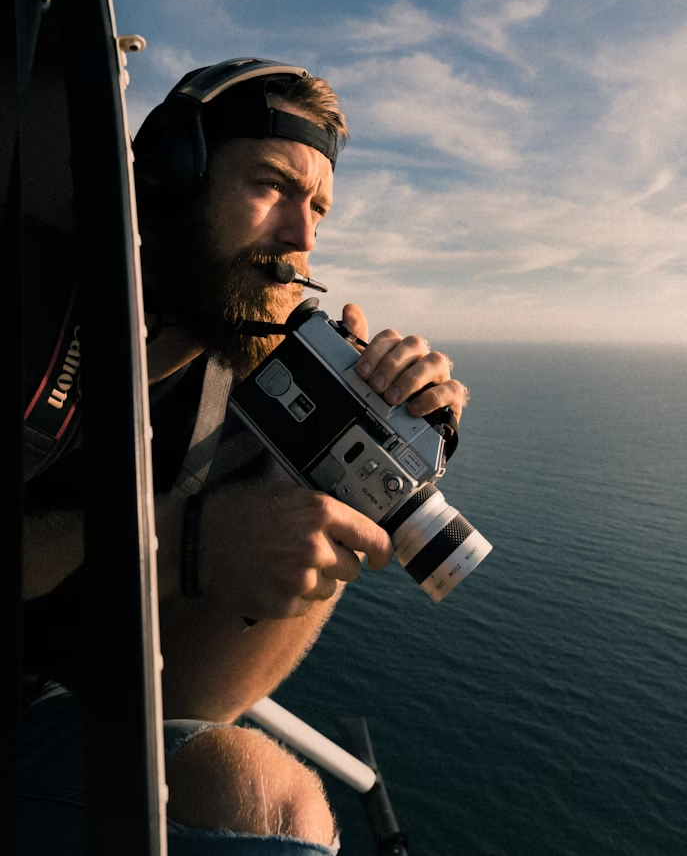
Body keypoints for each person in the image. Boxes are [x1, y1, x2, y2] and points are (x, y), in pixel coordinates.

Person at [20, 58, 469, 854]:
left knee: (271, 804)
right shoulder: (31, 296)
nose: (301, 237)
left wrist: (342, 474)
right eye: (271, 185)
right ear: (169, 174)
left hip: (41, 712)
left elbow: (197, 700)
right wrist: (180, 538)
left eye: (319, 211)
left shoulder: (243, 387)